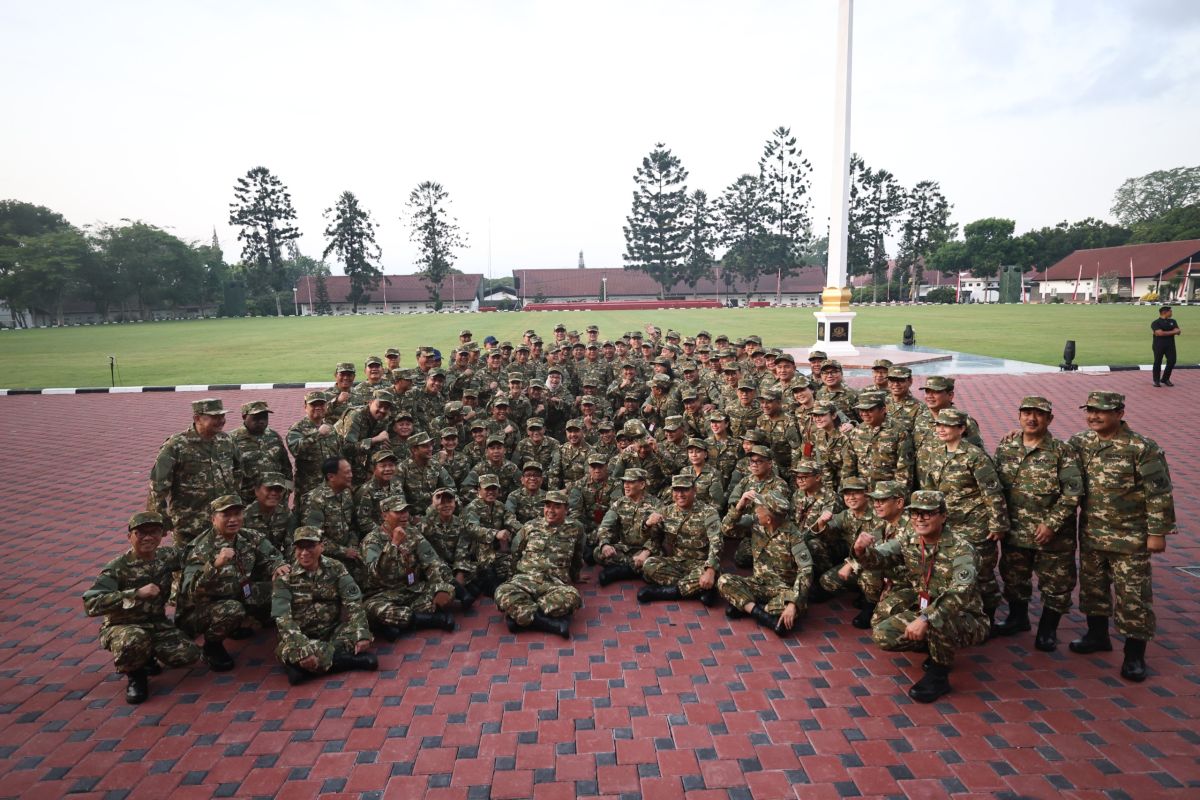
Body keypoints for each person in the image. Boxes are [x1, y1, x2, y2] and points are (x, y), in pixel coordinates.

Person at [1067, 391, 1176, 682]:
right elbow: (1052, 452)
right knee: (1093, 589)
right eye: (1090, 410)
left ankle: (1134, 655)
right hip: (1091, 534)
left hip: (1130, 539)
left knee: (1133, 597)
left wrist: (1157, 533)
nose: (1094, 416)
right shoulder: (1080, 442)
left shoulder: (1141, 447)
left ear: (1120, 413)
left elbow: (1159, 493)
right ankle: (1097, 636)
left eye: (1102, 411)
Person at [852, 490, 989, 703]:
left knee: (938, 619)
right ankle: (933, 646)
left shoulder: (962, 550)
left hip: (964, 616)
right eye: (915, 513)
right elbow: (881, 558)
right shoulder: (910, 540)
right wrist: (861, 551)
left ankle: (939, 674)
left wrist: (925, 619)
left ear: (943, 516)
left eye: (927, 513)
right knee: (882, 633)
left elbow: (959, 594)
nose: (919, 519)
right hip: (925, 604)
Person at [992, 397, 1082, 650]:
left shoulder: (1062, 451)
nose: (1032, 418)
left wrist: (1052, 524)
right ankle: (1017, 618)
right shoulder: (1007, 446)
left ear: (1049, 419)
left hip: (1052, 535)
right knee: (1014, 577)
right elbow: (996, 487)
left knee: (1056, 583)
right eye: (1027, 413)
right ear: (1019, 416)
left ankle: (1047, 630)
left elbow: (1073, 492)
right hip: (1016, 530)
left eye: (1039, 414)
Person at [82, 511, 201, 704]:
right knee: (134, 640)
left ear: (162, 535)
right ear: (129, 536)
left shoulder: (166, 556)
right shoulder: (117, 567)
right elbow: (91, 603)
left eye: (153, 532)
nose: (148, 537)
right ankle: (136, 676)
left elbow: (193, 557)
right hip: (123, 627)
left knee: (189, 654)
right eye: (141, 533)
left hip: (156, 624)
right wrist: (135, 593)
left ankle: (147, 656)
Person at [179, 496, 289, 672]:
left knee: (283, 583)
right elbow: (190, 591)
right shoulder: (200, 549)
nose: (233, 519)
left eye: (237, 514)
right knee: (233, 609)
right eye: (226, 515)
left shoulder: (247, 536)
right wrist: (215, 565)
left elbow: (272, 555)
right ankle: (212, 647)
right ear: (213, 518)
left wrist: (278, 566)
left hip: (239, 593)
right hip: (201, 609)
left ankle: (248, 623)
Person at [921, 408, 1009, 626]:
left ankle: (988, 619)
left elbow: (992, 491)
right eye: (939, 425)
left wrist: (997, 524)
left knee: (982, 574)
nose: (941, 429)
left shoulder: (975, 456)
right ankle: (960, 616)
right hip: (947, 526)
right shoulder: (936, 454)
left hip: (975, 526)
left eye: (948, 425)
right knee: (953, 572)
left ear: (961, 429)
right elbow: (930, 491)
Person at [271, 527, 376, 685]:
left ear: (321, 546)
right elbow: (283, 619)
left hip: (332, 631)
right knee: (292, 651)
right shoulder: (285, 577)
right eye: (300, 547)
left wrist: (362, 633)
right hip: (298, 636)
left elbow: (353, 602)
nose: (304, 553)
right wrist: (303, 648)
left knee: (356, 635)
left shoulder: (336, 568)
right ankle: (350, 661)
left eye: (310, 546)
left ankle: (306, 668)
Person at [147, 398, 243, 546]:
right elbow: (158, 485)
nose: (221, 421)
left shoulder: (226, 441)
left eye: (222, 416)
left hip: (222, 523)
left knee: (223, 565)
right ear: (197, 418)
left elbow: (238, 472)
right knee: (188, 566)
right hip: (190, 525)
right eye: (215, 417)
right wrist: (159, 519)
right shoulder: (176, 445)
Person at [717, 491, 811, 637]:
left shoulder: (793, 535)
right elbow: (726, 529)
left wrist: (793, 603)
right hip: (758, 583)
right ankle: (763, 616)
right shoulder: (755, 522)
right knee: (724, 581)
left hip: (782, 590)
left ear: (768, 519)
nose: (755, 510)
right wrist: (740, 505)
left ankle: (745, 605)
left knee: (796, 606)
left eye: (759, 508)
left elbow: (806, 570)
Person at [360, 497, 456, 640]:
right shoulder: (372, 540)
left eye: (406, 511)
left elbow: (432, 561)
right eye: (398, 512)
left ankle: (396, 624)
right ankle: (430, 620)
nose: (404, 515)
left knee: (448, 590)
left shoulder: (412, 532)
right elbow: (376, 573)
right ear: (384, 515)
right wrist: (393, 545)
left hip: (413, 589)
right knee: (375, 610)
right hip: (384, 595)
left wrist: (439, 587)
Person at [495, 491, 585, 638]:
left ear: (566, 509)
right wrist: (512, 579)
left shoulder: (576, 528)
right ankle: (548, 623)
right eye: (547, 506)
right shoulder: (530, 527)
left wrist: (576, 576)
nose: (550, 510)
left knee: (572, 597)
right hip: (525, 579)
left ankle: (520, 617)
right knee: (502, 592)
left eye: (557, 506)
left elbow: (577, 555)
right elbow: (516, 553)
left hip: (554, 583)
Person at [638, 475, 723, 606]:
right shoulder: (666, 511)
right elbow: (653, 538)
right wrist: (647, 524)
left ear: (694, 490)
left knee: (716, 575)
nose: (680, 494)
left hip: (701, 564)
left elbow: (716, 543)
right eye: (676, 490)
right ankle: (700, 588)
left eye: (685, 490)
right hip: (677, 562)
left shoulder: (709, 512)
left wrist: (710, 570)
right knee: (649, 565)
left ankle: (668, 592)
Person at [594, 468, 663, 586]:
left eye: (630, 482)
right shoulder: (619, 503)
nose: (626, 485)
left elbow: (659, 536)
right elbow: (605, 526)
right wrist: (605, 544)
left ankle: (621, 571)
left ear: (642, 484)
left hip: (647, 551)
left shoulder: (656, 505)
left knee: (654, 562)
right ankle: (635, 570)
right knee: (598, 553)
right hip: (626, 549)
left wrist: (646, 552)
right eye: (624, 482)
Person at [287, 391, 343, 509]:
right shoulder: (297, 428)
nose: (318, 407)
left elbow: (338, 454)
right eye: (313, 405)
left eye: (321, 404)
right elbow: (296, 449)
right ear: (305, 407)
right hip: (308, 489)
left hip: (331, 487)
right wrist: (317, 435)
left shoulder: (331, 429)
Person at [232, 401, 293, 505]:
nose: (261, 421)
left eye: (264, 417)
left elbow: (286, 467)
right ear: (244, 416)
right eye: (256, 417)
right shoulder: (232, 439)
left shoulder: (274, 436)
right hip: (248, 500)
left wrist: (287, 490)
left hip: (276, 498)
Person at [243, 472, 293, 552]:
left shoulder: (286, 514)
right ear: (257, 491)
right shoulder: (244, 516)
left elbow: (291, 546)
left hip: (278, 561)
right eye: (269, 489)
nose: (274, 493)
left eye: (278, 489)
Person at [1151, 305, 1181, 387]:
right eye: (1170, 311)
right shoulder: (1155, 322)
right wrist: (1173, 331)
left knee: (1172, 361)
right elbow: (1160, 333)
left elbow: (1178, 332)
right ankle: (1156, 380)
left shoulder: (1173, 321)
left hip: (1170, 345)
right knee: (1157, 362)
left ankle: (1165, 379)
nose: (1171, 313)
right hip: (1158, 345)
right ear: (1164, 312)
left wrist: (1164, 333)